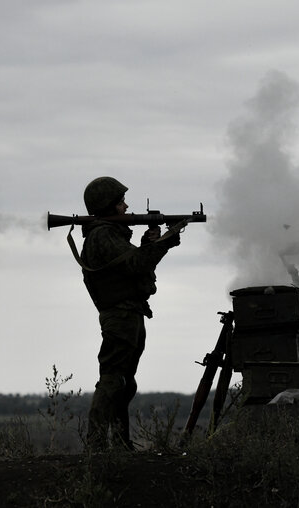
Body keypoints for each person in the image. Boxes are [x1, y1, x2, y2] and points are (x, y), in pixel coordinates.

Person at [67, 176, 181, 450]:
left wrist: (151, 243)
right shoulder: (103, 235)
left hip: (128, 313)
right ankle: (97, 446)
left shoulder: (108, 235)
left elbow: (133, 265)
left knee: (125, 383)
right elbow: (136, 263)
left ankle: (119, 442)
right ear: (108, 206)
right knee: (113, 379)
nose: (126, 206)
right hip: (120, 316)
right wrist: (163, 242)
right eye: (120, 202)